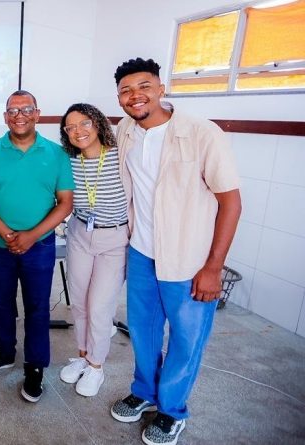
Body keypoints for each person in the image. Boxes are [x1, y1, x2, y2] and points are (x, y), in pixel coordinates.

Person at [108, 58, 241, 445]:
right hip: (142, 252)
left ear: (161, 89)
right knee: (143, 332)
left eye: (144, 87)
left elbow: (231, 203)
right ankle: (145, 392)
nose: (135, 96)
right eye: (126, 91)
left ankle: (171, 410)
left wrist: (213, 267)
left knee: (186, 338)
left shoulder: (201, 133)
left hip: (188, 259)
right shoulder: (126, 131)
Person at [0, 90, 74, 403]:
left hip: (39, 246)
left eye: (26, 109)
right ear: (5, 117)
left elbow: (65, 203)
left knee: (37, 307)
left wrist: (31, 235)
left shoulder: (57, 154)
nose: (19, 116)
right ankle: (4, 352)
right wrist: (7, 234)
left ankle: (35, 366)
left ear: (37, 114)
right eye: (13, 111)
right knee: (1, 302)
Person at [57, 103, 128, 397]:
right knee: (79, 302)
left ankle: (97, 366)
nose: (78, 131)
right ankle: (83, 356)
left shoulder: (120, 155)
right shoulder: (68, 161)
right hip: (79, 233)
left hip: (115, 237)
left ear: (97, 123)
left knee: (100, 306)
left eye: (84, 123)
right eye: (70, 127)